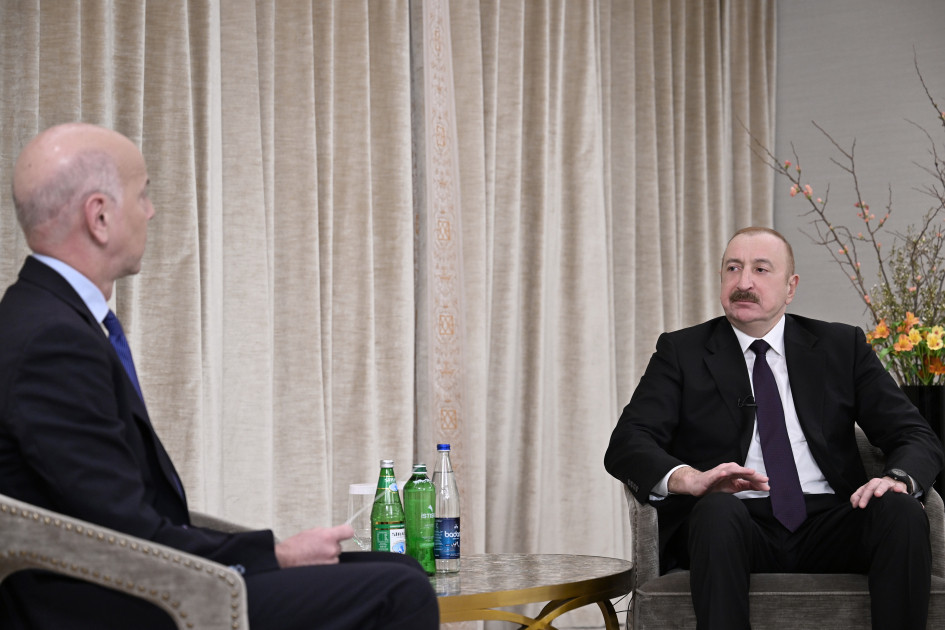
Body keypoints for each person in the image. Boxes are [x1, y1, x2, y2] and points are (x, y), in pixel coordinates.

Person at [0, 122, 439, 630]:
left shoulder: (43, 316)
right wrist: (276, 554)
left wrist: (266, 554)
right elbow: (126, 529)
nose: (151, 211)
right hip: (108, 605)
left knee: (400, 568)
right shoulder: (51, 341)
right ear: (99, 217)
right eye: (143, 195)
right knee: (399, 592)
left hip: (131, 576)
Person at [605, 226, 944, 630]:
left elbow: (915, 434)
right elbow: (628, 442)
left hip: (832, 521)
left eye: (761, 269)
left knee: (900, 509)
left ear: (790, 287)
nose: (743, 282)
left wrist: (897, 479)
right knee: (716, 511)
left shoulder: (841, 346)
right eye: (733, 268)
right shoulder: (682, 352)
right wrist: (690, 479)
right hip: (733, 524)